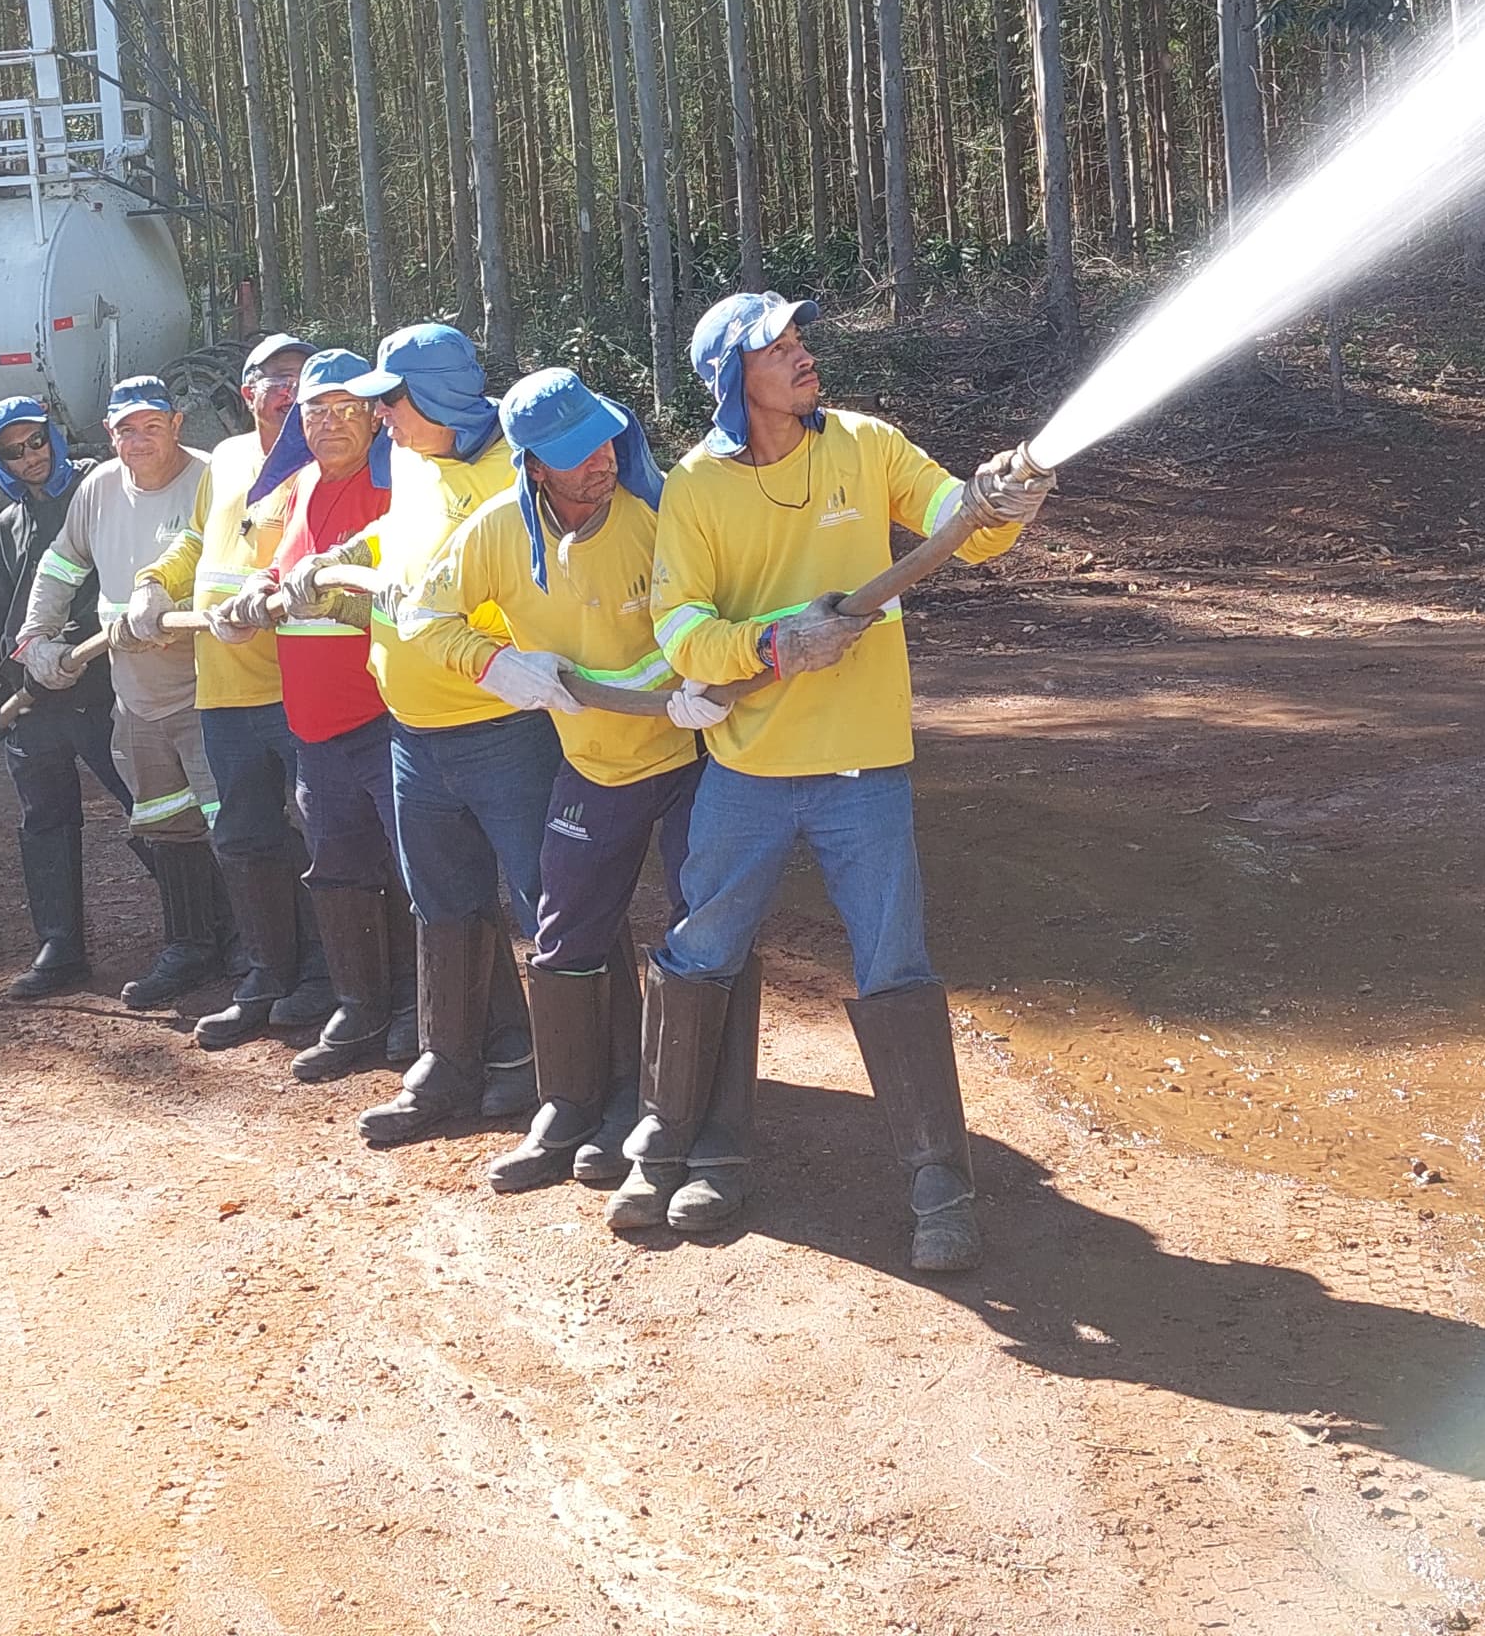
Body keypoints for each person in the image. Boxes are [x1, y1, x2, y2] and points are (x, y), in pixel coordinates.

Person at [635, 293, 1054, 1271]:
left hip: (865, 766)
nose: (802, 356)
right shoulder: (697, 486)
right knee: (702, 951)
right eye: (775, 349)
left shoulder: (866, 445)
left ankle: (941, 1189)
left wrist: (1001, 501)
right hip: (748, 768)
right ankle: (669, 1154)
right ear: (732, 381)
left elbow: (958, 523)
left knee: (895, 964)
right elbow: (679, 629)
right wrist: (776, 644)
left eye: (799, 340)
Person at [398, 364, 696, 1196]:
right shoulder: (498, 531)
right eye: (575, 453)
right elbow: (423, 615)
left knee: (700, 932)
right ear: (531, 465)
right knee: (564, 934)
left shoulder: (657, 516)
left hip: (691, 759)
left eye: (604, 441)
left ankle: (670, 1111)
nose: (600, 461)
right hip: (592, 764)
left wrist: (698, 680)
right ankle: (569, 1106)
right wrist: (495, 663)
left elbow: (713, 611)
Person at [343, 320, 537, 1150]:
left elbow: (536, 598)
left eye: (390, 400)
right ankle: (452, 1065)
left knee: (548, 904)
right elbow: (405, 544)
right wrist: (348, 555)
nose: (379, 417)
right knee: (442, 905)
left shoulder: (518, 473)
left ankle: (581, 1077)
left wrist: (426, 605)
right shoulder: (414, 462)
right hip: (413, 732)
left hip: (507, 732)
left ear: (438, 396)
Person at [140, 334, 333, 1048]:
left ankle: (329, 977)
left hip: (298, 689)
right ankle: (265, 977)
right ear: (246, 392)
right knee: (245, 840)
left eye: (303, 380)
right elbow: (197, 540)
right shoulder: (224, 458)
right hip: (222, 693)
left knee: (324, 839)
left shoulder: (323, 463)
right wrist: (153, 583)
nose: (290, 391)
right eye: (276, 379)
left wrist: (266, 597)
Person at [215, 346, 402, 1081]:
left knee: (413, 873)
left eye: (345, 409)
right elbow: (286, 563)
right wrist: (256, 589)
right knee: (337, 870)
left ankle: (422, 1011)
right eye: (315, 411)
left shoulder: (394, 485)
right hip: (315, 729)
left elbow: (409, 590)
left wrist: (334, 597)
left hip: (384, 720)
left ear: (375, 416)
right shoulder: (300, 484)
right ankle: (360, 1006)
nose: (329, 424)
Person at [21, 375, 224, 1014]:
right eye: (126, 429)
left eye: (152, 426)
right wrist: (36, 636)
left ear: (177, 424)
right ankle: (191, 947)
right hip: (136, 702)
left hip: (209, 693)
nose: (139, 441)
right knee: (168, 826)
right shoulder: (100, 489)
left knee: (237, 827)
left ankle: (265, 956)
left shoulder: (212, 479)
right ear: (110, 434)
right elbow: (62, 563)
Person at [0, 395, 131, 1001]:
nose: (30, 456)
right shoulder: (7, 527)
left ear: (53, 437)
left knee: (150, 809)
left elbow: (109, 584)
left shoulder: (95, 494)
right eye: (14, 451)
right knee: (45, 822)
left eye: (36, 441)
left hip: (99, 689)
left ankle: (208, 934)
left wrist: (66, 653)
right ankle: (60, 948)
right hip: (31, 705)